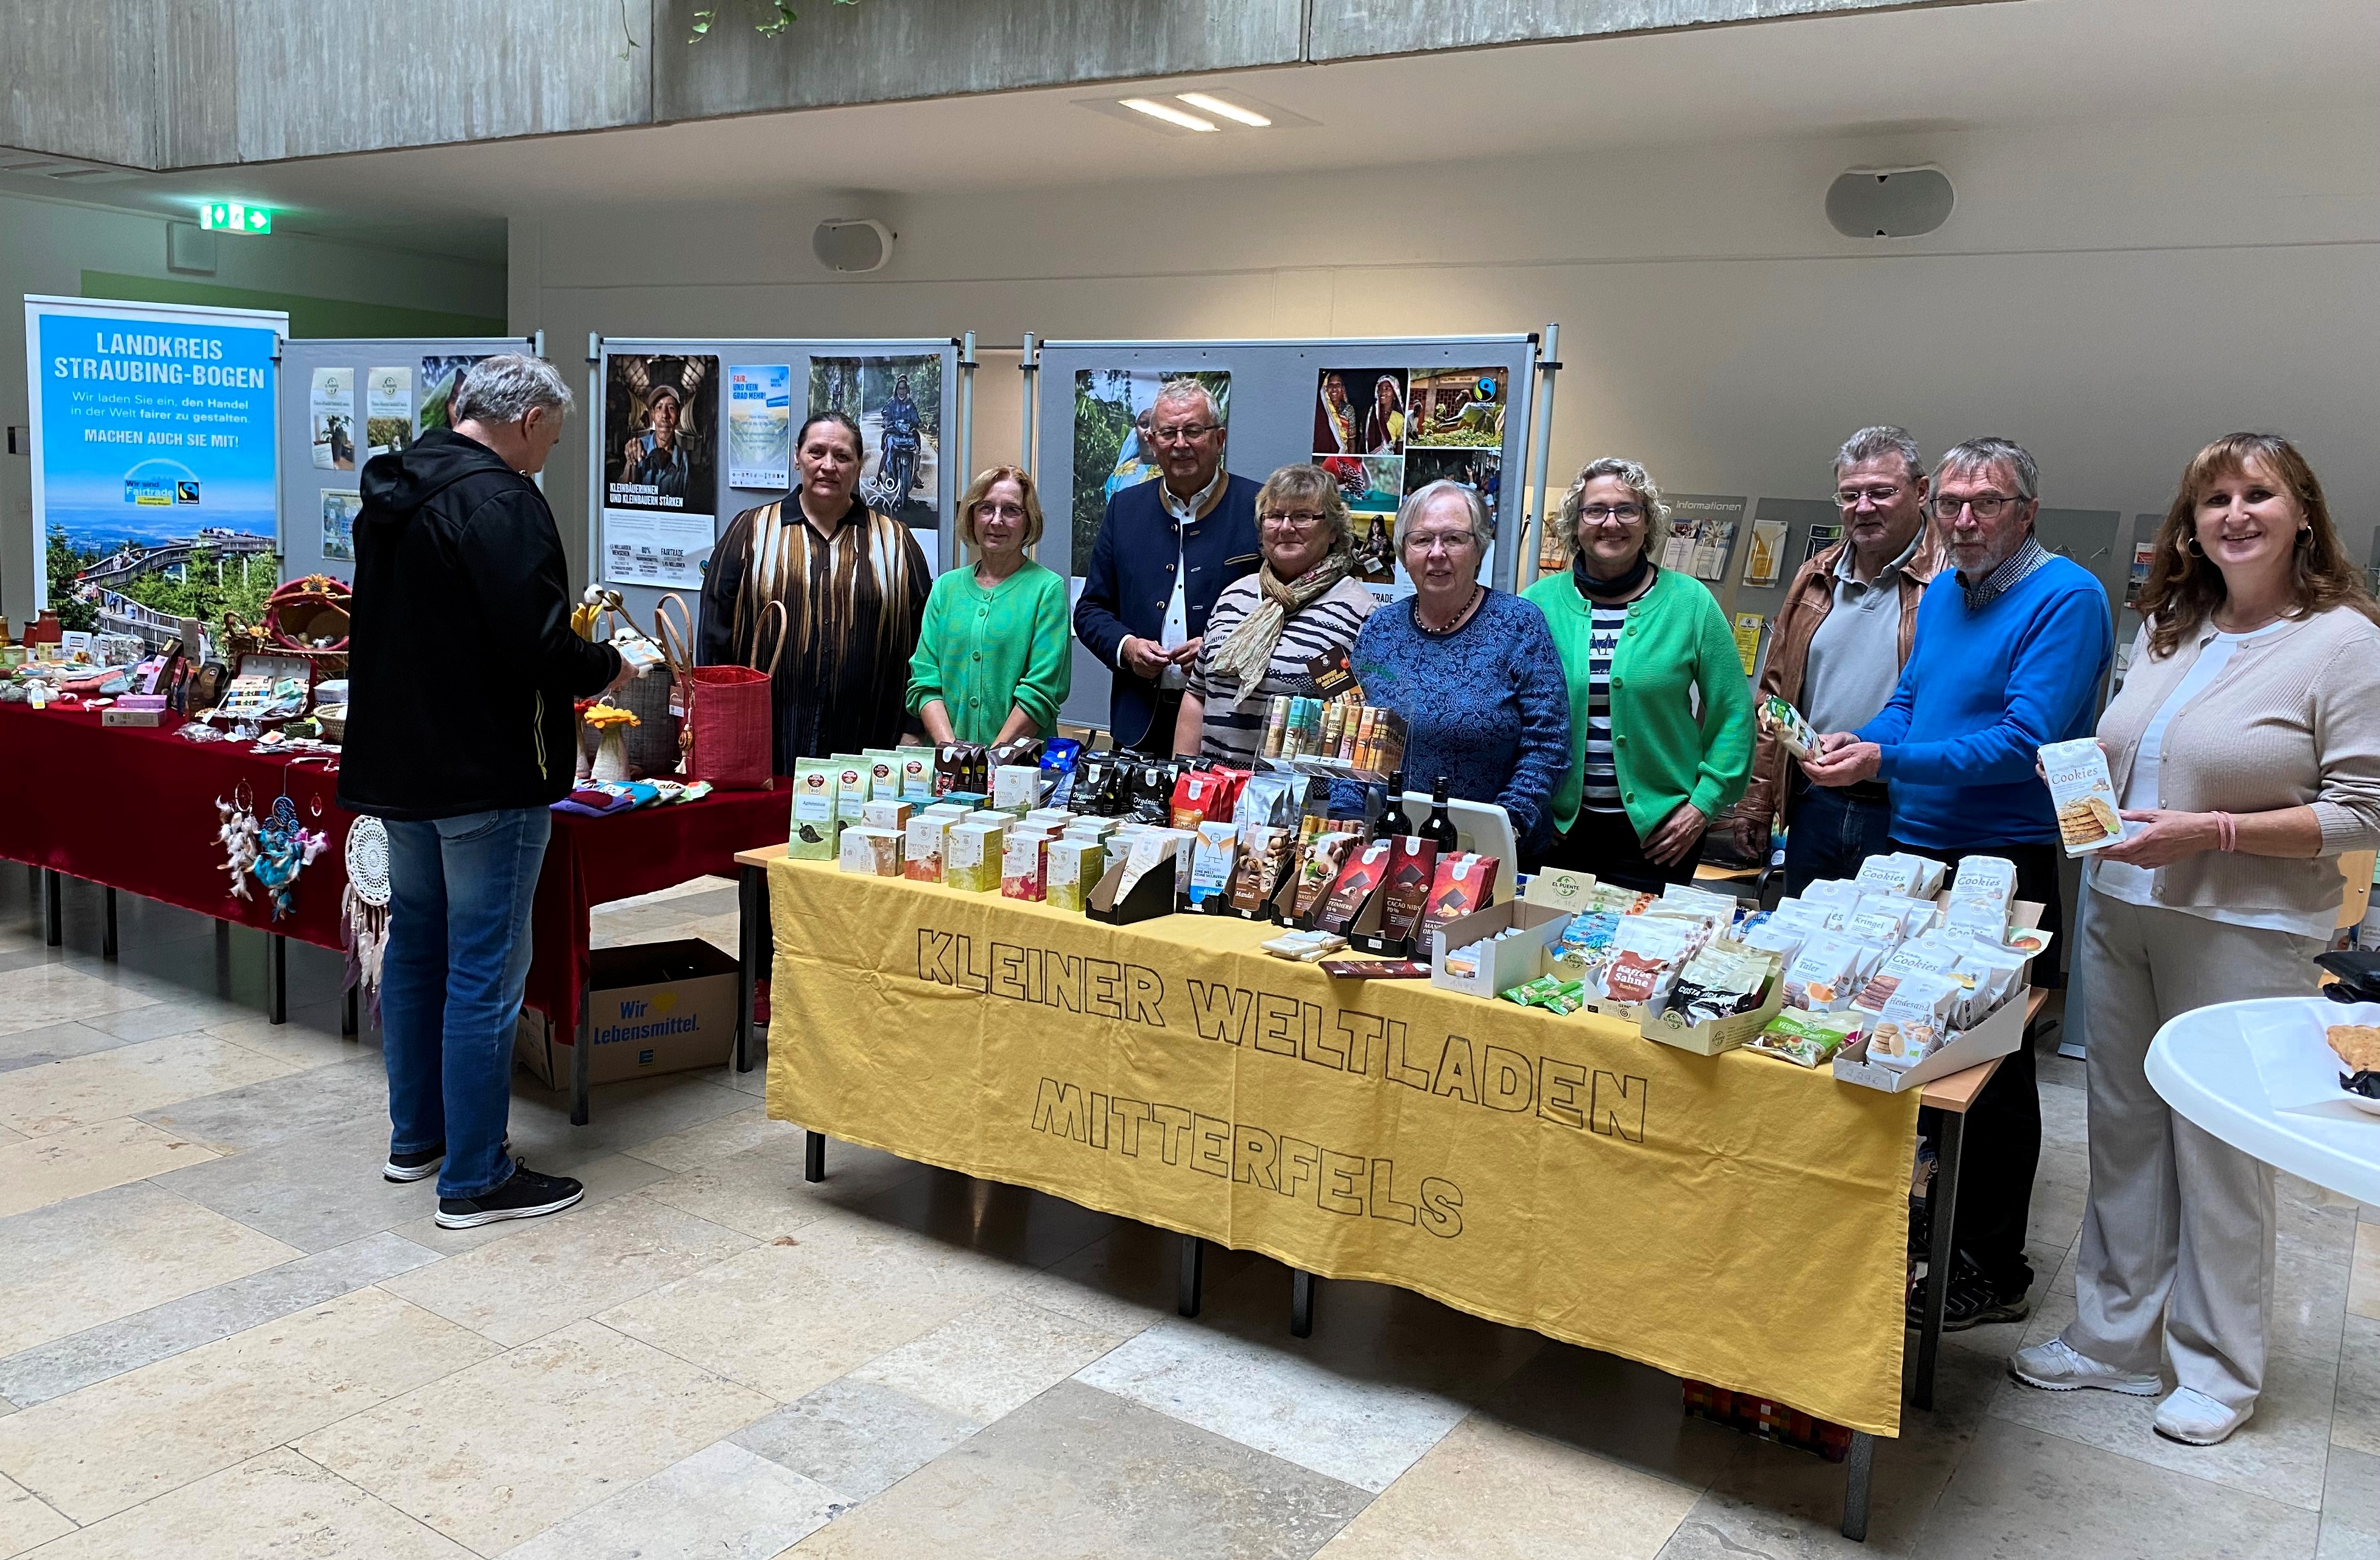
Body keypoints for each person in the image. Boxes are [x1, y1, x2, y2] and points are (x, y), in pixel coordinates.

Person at [2009, 434, 2380, 1446]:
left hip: (2240, 924)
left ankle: (2217, 1366)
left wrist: (2210, 831)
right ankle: (2112, 1339)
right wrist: (2083, 788)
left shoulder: (2343, 640)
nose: (2233, 513)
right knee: (2124, 1130)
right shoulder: (2172, 625)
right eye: (2212, 497)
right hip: (2122, 900)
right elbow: (2135, 760)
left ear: (2301, 512)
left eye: (2257, 493)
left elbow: (2361, 809)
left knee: (2217, 1149)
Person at [1803, 436, 2113, 1330]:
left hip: (2005, 860)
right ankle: (1922, 1232)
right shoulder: (1944, 589)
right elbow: (1911, 699)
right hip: (1915, 849)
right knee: (1913, 1041)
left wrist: (1888, 757)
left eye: (1989, 503)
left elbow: (2027, 740)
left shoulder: (2068, 597)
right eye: (1953, 505)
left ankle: (1993, 1263)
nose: (1966, 520)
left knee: (1996, 1066)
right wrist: (1854, 741)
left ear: (2028, 513)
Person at [342, 354, 624, 1229]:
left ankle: (415, 1137)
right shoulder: (504, 501)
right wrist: (606, 662)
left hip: (402, 770)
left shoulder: (394, 490)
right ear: (531, 420)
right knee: (484, 972)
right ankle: (475, 1175)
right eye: (554, 435)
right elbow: (536, 644)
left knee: (419, 953)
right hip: (485, 773)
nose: (550, 452)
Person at [1716, 427, 1943, 888]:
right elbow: (1774, 695)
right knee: (1804, 942)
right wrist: (1758, 799)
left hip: (1905, 806)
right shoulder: (1815, 576)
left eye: (1881, 492)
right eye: (1850, 495)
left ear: (1921, 492)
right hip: (1815, 801)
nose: (1863, 507)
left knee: (1892, 950)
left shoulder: (1952, 579)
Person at [1523, 458, 1753, 890]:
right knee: (1551, 951)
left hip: (1660, 839)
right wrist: (1532, 803)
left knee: (1640, 957)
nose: (1612, 523)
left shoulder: (1691, 603)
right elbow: (1512, 714)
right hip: (1558, 834)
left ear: (1648, 524)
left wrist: (1702, 807)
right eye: (1596, 511)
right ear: (1575, 523)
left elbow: (1734, 716)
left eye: (1628, 510)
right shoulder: (1536, 605)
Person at [699, 410, 931, 771]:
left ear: (859, 466)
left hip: (869, 748)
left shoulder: (897, 543)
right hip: (765, 743)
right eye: (816, 452)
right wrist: (720, 723)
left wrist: (913, 729)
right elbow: (715, 635)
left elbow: (924, 644)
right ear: (797, 457)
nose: (828, 466)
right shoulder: (749, 531)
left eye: (842, 457)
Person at [1348, 479, 1569, 851]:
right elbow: (1355, 733)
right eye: (1421, 540)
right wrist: (1347, 815)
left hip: (1491, 847)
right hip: (1389, 843)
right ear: (1403, 553)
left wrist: (1506, 825)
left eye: (1454, 539)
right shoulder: (1378, 630)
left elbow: (1548, 742)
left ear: (1479, 549)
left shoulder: (1519, 624)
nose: (1437, 553)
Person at [1074, 380, 1262, 751]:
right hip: (1140, 719)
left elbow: (1285, 609)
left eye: (1193, 431)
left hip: (1229, 723)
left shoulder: (1259, 507)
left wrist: (1218, 649)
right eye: (1168, 433)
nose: (1180, 444)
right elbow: (1091, 609)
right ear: (1152, 441)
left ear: (1219, 438)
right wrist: (1126, 647)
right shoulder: (1124, 509)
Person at [1174, 463, 1376, 763]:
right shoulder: (1234, 596)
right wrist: (1183, 774)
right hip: (1213, 793)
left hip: (1300, 800)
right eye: (1275, 516)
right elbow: (1197, 694)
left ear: (1333, 530)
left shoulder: (1361, 612)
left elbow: (1360, 725)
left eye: (1302, 516)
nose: (1285, 527)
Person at [909, 466, 1071, 746]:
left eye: (1011, 511)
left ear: (1028, 521)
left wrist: (990, 761)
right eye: (986, 508)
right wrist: (952, 753)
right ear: (971, 516)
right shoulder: (945, 588)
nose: (997, 521)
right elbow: (925, 681)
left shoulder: (1047, 590)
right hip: (948, 768)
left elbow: (1041, 692)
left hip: (1018, 772)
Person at [621, 381, 690, 502]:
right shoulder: (639, 448)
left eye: (671, 408)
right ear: (653, 415)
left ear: (678, 417)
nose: (664, 415)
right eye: (659, 408)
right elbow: (622, 494)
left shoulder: (682, 459)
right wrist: (629, 464)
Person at [1364, 374, 1406, 454]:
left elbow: (1400, 445)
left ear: (1395, 395)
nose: (1383, 393)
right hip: (1369, 461)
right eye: (1380, 389)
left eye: (1387, 389)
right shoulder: (1369, 415)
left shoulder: (1399, 418)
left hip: (1388, 462)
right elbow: (1362, 442)